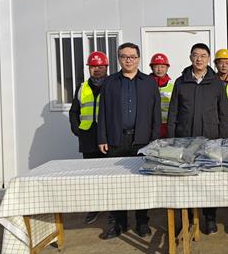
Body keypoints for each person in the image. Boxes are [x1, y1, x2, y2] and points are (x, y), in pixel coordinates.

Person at [98, 42, 161, 239]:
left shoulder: (149, 83)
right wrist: (102, 137)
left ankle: (142, 222)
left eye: (132, 56)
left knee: (141, 183)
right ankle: (119, 223)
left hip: (142, 141)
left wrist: (155, 140)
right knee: (116, 184)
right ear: (119, 59)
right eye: (124, 56)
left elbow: (156, 113)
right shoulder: (110, 82)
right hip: (116, 140)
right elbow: (102, 113)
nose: (128, 60)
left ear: (138, 59)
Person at [167, 43, 228, 234]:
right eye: (195, 55)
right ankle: (185, 219)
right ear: (190, 58)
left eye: (203, 55)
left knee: (209, 180)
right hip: (185, 139)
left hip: (210, 140)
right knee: (184, 181)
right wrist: (171, 139)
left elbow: (223, 113)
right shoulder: (181, 82)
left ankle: (210, 218)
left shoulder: (216, 83)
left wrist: (223, 140)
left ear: (209, 59)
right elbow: (173, 112)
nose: (199, 59)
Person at [69, 51, 109, 225]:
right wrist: (76, 129)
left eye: (100, 66)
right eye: (93, 66)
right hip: (87, 137)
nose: (97, 69)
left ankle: (113, 208)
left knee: (109, 173)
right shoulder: (82, 87)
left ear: (106, 67)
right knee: (91, 175)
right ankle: (94, 207)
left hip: (107, 137)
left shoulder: (112, 85)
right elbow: (74, 111)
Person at [149, 53, 173, 138]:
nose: (159, 69)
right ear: (152, 68)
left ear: (167, 68)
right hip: (151, 124)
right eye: (156, 66)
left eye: (162, 67)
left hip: (167, 125)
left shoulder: (173, 85)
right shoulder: (146, 84)